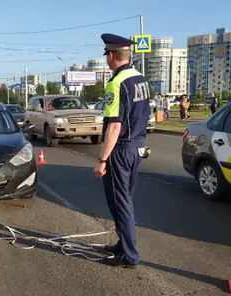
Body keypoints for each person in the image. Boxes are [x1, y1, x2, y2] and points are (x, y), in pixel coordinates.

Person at [94, 33, 150, 268]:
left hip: (121, 150)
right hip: (136, 148)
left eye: (106, 54)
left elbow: (114, 124)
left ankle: (129, 255)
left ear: (110, 55)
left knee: (120, 202)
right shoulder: (141, 79)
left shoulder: (116, 83)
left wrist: (102, 159)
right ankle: (123, 244)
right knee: (124, 200)